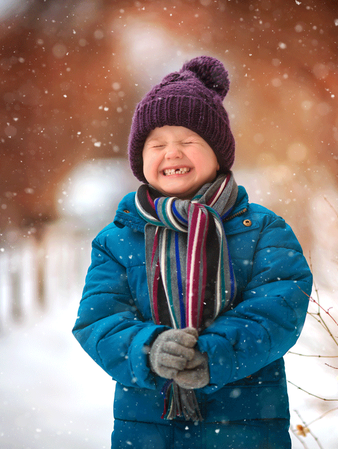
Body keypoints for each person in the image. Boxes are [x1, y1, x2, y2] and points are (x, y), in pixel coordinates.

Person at [72, 55, 313, 449]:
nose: (172, 153)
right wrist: (149, 349)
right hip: (148, 427)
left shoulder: (261, 229)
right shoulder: (118, 239)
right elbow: (98, 320)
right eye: (157, 144)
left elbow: (278, 309)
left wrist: (213, 353)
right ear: (140, 160)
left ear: (218, 154)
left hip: (245, 426)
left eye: (188, 142)